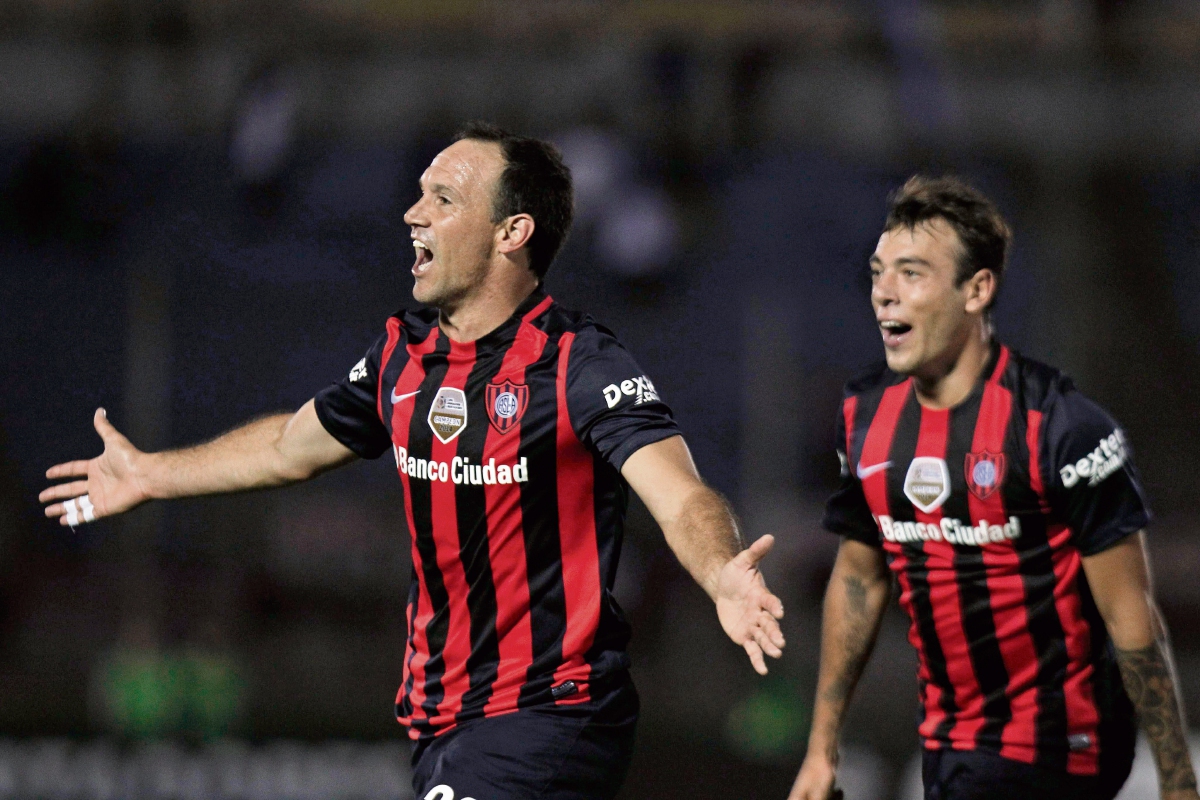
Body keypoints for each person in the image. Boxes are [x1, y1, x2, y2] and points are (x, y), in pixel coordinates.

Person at [40, 122, 786, 800]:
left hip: (548, 714)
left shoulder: (577, 367)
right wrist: (149, 473)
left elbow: (679, 494)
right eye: (418, 195)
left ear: (511, 231)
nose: (413, 215)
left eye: (443, 198)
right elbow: (286, 447)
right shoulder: (404, 354)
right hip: (442, 725)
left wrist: (721, 571)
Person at [787, 176, 1198, 800]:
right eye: (879, 273)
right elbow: (860, 577)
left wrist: (1177, 777)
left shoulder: (1063, 428)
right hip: (950, 748)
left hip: (1062, 747)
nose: (885, 295)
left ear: (977, 289)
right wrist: (821, 750)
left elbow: (1128, 609)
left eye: (912, 273)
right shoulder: (864, 421)